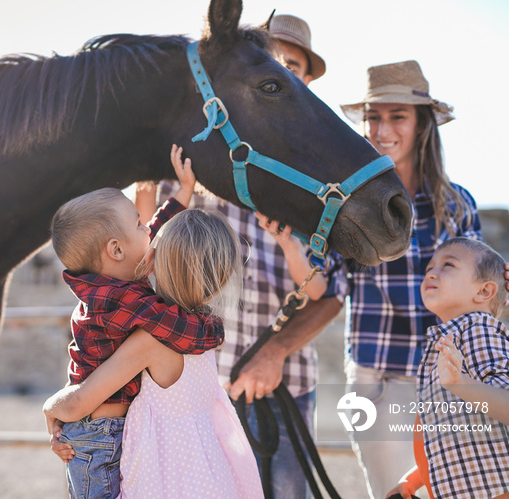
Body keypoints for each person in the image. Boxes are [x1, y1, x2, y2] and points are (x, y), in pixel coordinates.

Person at [136, 13, 342, 499]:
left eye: (293, 67)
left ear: (305, 82)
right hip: (199, 380)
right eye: (272, 65)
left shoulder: (314, 178)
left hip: (281, 381)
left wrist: (288, 241)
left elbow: (324, 291)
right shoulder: (194, 161)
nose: (282, 74)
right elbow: (145, 250)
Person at [44, 209, 264, 498]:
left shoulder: (150, 342)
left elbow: (79, 403)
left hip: (164, 478)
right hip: (206, 471)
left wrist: (50, 406)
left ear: (152, 262)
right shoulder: (203, 330)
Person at [338, 60, 482, 499]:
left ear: (422, 126)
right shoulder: (346, 201)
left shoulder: (456, 206)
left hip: (444, 381)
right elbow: (325, 281)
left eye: (397, 116)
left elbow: (475, 300)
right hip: (374, 378)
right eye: (374, 116)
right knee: (392, 493)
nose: (383, 129)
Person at [49, 145, 225, 499]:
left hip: (103, 427)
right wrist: (214, 327)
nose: (150, 229)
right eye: (139, 224)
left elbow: (152, 236)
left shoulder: (114, 280)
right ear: (115, 250)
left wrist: (183, 193)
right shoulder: (121, 300)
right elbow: (183, 331)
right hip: (100, 434)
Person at [386, 237, 509, 499]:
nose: (431, 272)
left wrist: (461, 384)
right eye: (430, 267)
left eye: (448, 265)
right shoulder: (445, 343)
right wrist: (412, 480)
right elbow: (449, 439)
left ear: (484, 292)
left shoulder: (478, 331)